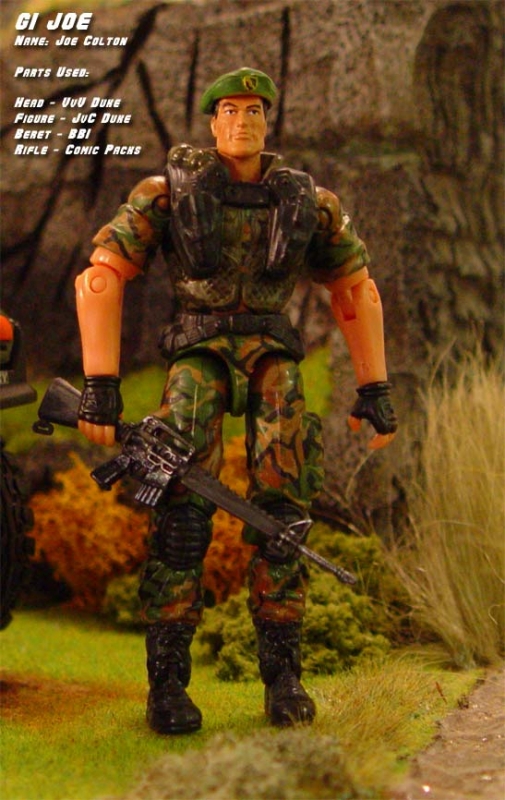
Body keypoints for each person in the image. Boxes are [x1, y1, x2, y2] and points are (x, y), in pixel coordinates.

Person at [75, 67, 397, 735]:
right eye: (229, 110)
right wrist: (101, 385)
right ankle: (167, 684)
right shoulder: (166, 194)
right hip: (198, 352)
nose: (241, 122)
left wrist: (373, 388)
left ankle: (283, 677)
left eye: (253, 110)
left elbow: (355, 290)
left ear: (268, 121)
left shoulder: (309, 202)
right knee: (181, 515)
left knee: (284, 517)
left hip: (274, 354)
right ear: (212, 121)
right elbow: (102, 278)